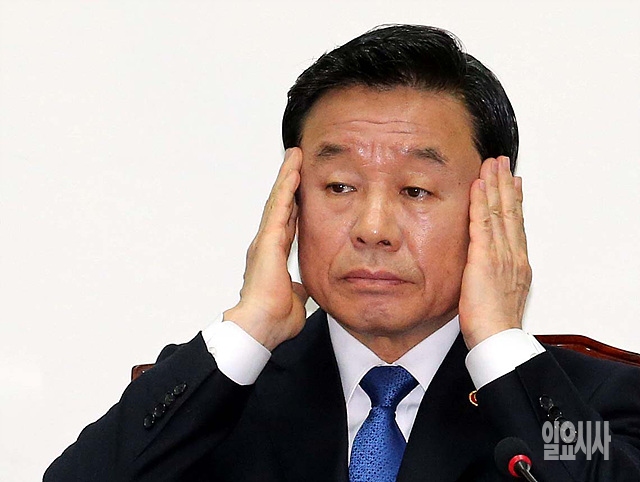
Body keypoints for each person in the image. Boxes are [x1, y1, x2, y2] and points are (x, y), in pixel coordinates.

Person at [45, 25, 640, 481]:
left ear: (494, 209)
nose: (373, 229)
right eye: (338, 187)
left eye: (415, 190)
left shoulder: (597, 403)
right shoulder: (219, 391)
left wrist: (498, 341)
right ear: (292, 199)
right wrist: (252, 326)